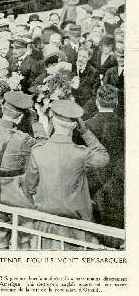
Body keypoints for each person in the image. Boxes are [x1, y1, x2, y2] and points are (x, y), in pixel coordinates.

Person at [24, 99, 109, 249]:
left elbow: (29, 188)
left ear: (52, 121)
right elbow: (103, 157)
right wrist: (85, 132)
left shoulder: (38, 150)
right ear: (75, 125)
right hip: (75, 228)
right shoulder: (81, 154)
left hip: (44, 224)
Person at [0, 91, 38, 249]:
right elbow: (43, 148)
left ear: (3, 109)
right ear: (20, 117)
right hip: (17, 193)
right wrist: (35, 122)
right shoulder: (23, 139)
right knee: (24, 239)